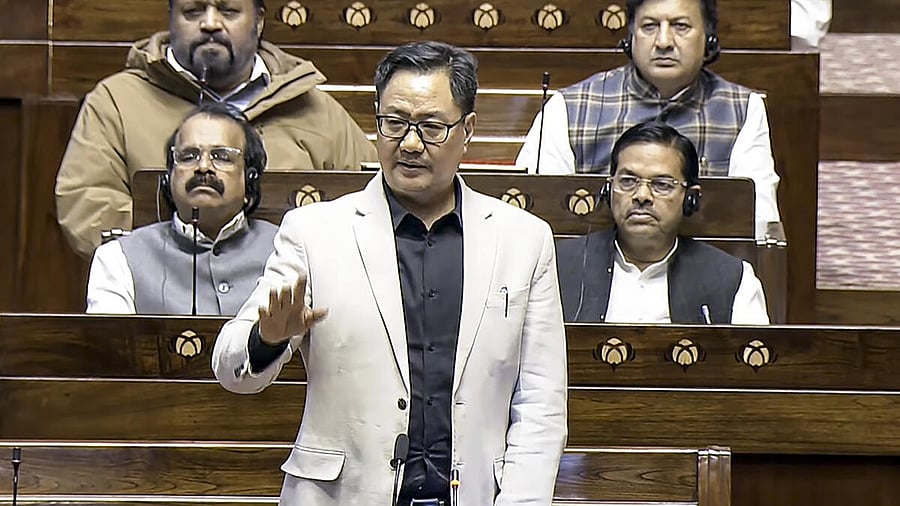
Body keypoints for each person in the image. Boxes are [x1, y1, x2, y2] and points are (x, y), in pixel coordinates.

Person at [212, 41, 568, 506]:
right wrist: (267, 339)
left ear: (468, 130)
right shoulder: (315, 232)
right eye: (394, 123)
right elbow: (232, 370)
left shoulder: (524, 240)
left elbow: (540, 403)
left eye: (432, 127)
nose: (410, 143)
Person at [56, 0, 376, 258]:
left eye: (228, 10)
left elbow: (370, 204)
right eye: (193, 11)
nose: (210, 23)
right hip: (161, 297)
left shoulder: (314, 109)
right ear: (171, 17)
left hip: (291, 297)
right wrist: (173, 253)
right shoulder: (116, 101)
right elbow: (87, 205)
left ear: (259, 21)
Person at [516, 0, 779, 240]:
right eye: (649, 26)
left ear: (708, 38)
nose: (664, 41)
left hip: (703, 275)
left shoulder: (742, 109)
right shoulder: (569, 107)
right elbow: (536, 219)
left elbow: (759, 225)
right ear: (630, 37)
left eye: (681, 26)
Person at [556, 121, 769, 324]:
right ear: (609, 189)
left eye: (662, 184)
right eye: (628, 181)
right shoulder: (556, 266)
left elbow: (753, 356)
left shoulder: (734, 278)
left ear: (690, 198)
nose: (641, 195)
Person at [86, 102, 277, 315]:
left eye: (222, 157)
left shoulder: (285, 250)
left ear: (249, 182)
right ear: (168, 179)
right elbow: (111, 346)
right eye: (188, 156)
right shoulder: (118, 257)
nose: (203, 167)